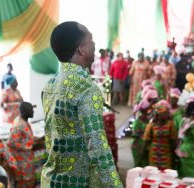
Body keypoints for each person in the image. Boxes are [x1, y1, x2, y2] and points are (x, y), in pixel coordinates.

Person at [41, 21, 122, 187]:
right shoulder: (86, 89)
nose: (94, 44)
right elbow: (98, 150)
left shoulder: (50, 85)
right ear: (81, 49)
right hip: (77, 183)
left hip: (51, 180)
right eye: (90, 40)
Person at [7, 102, 36, 187]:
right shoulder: (19, 125)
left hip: (26, 158)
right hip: (22, 161)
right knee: (24, 182)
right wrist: (29, 146)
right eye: (31, 110)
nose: (33, 112)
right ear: (25, 112)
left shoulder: (24, 121)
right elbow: (11, 142)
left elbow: (24, 138)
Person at [143, 100, 176, 170]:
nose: (166, 115)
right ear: (158, 115)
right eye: (164, 113)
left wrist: (174, 156)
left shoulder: (170, 124)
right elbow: (146, 141)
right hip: (154, 154)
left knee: (166, 173)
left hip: (166, 154)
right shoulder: (151, 126)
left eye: (166, 113)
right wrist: (142, 156)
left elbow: (173, 140)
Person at [131, 100, 150, 167]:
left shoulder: (148, 120)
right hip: (138, 146)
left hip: (146, 145)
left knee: (145, 164)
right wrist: (139, 149)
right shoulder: (137, 122)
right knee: (138, 164)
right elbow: (135, 136)